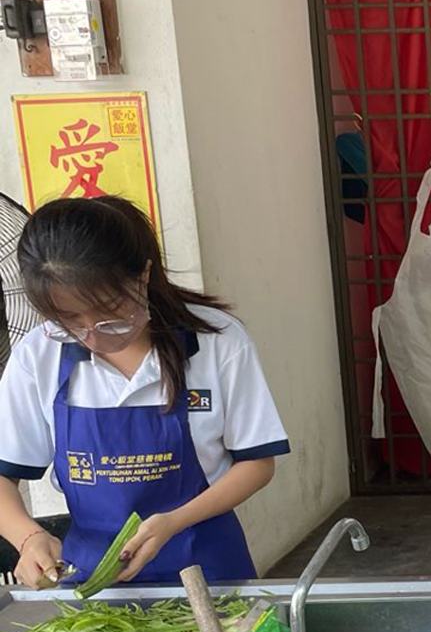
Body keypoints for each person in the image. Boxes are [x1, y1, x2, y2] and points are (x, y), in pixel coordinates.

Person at [0, 196, 290, 589]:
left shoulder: (217, 341)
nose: (93, 335)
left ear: (144, 274)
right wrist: (28, 537)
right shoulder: (38, 356)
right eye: (69, 320)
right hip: (92, 581)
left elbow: (258, 463)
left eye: (109, 310)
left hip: (207, 568)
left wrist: (174, 522)